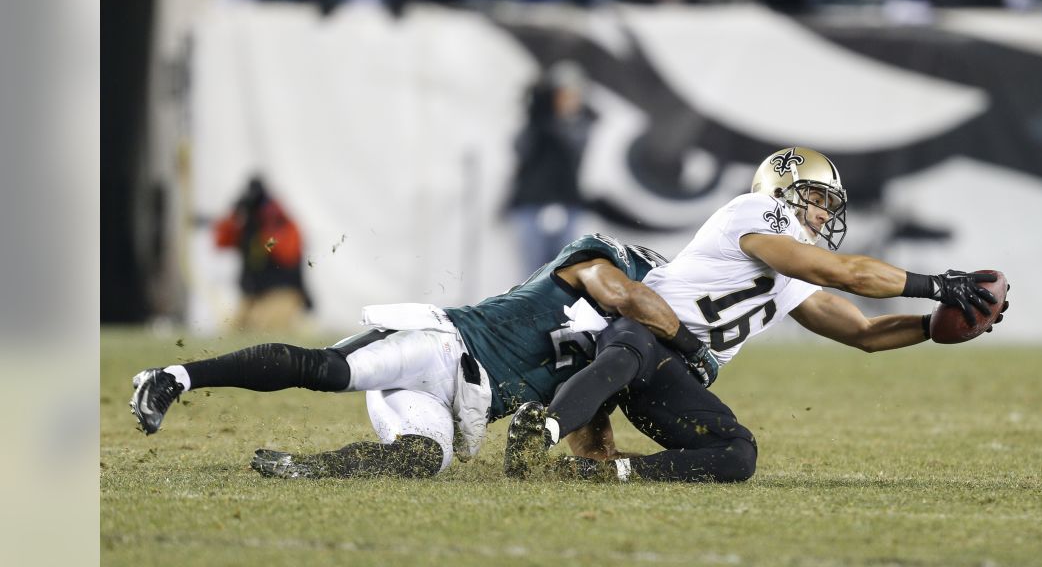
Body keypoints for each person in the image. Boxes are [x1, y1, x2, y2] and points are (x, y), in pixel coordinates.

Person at [504, 147, 1010, 483]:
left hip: (673, 373)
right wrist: (937, 285)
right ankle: (538, 434)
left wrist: (934, 325)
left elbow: (865, 332)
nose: (824, 215)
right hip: (645, 330)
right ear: (782, 192)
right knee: (631, 351)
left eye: (829, 205)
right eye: (816, 199)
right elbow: (845, 273)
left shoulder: (790, 274)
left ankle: (610, 474)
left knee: (737, 455)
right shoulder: (753, 213)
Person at [130, 233, 694, 479]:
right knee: (329, 370)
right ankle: (173, 376)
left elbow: (585, 428)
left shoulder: (609, 351)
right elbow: (624, 294)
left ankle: (306, 469)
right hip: (441, 346)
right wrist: (689, 344)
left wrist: (594, 465)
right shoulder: (592, 267)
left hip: (454, 406)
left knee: (422, 458)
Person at [508, 61, 592, 276]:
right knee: (532, 275)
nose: (569, 101)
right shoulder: (536, 127)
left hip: (566, 205)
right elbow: (520, 149)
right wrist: (535, 114)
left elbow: (572, 145)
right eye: (564, 95)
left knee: (563, 274)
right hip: (530, 205)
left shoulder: (581, 125)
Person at [212, 176, 311, 332]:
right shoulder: (245, 225)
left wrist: (268, 221)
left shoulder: (282, 223)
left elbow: (287, 254)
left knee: (263, 328)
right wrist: (234, 215)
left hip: (282, 294)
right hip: (253, 296)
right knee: (230, 330)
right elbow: (220, 243)